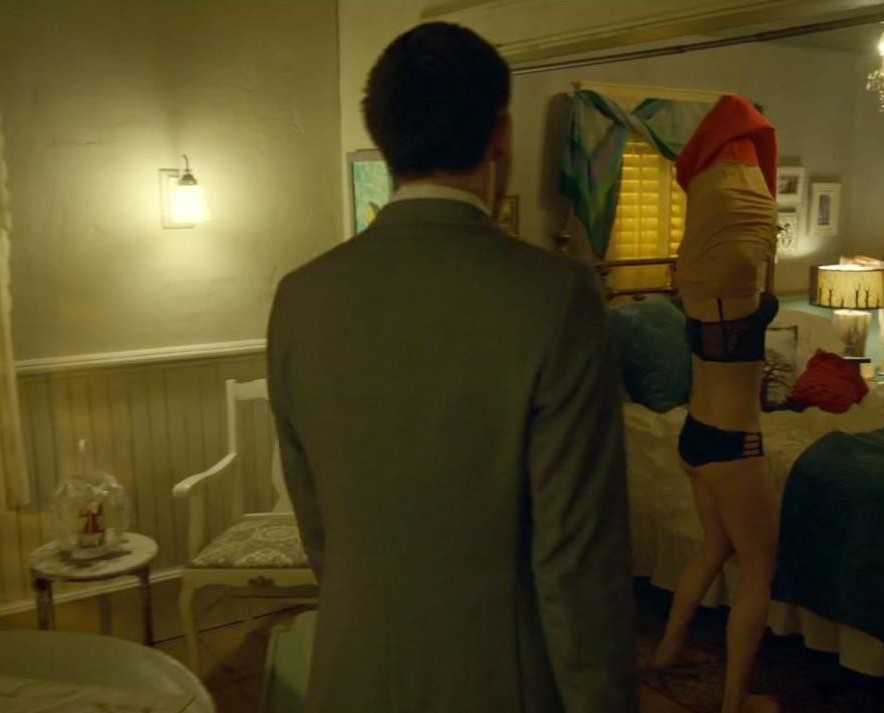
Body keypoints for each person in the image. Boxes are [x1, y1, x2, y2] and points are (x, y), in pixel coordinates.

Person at [266, 22, 637, 713]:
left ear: (384, 139)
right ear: (502, 135)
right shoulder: (556, 296)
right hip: (499, 683)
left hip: (350, 674)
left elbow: (320, 529)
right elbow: (579, 562)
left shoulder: (300, 297)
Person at [651, 95, 783, 713]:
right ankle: (735, 702)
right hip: (735, 446)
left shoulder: (701, 291)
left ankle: (666, 651)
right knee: (758, 572)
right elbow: (745, 246)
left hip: (695, 437)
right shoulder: (736, 287)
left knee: (713, 547)